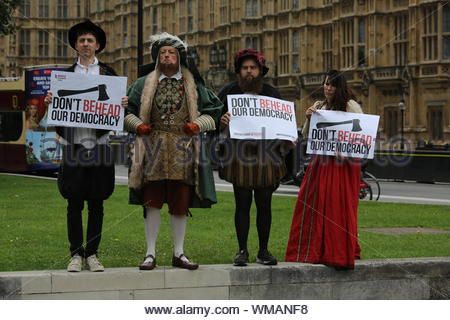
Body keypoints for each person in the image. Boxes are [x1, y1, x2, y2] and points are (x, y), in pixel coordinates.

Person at [125, 32, 222, 271]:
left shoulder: (194, 84)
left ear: (180, 58)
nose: (167, 56)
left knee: (180, 202)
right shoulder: (142, 84)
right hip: (152, 149)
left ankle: (179, 252)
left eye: (172, 53)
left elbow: (215, 111)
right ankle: (150, 253)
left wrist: (198, 124)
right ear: (157, 58)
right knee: (152, 202)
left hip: (184, 149)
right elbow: (125, 113)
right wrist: (139, 126)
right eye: (163, 53)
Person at [44, 20, 128, 272]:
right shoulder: (66, 76)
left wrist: (122, 102)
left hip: (100, 143)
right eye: (81, 40)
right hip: (74, 144)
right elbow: (54, 111)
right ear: (75, 45)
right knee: (73, 202)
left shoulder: (108, 75)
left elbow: (119, 108)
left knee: (97, 202)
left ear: (98, 45)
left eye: (90, 40)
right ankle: (75, 254)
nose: (85, 44)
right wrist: (50, 100)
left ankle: (92, 254)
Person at [217, 49, 292, 267]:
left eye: (253, 68)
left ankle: (263, 250)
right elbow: (213, 120)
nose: (249, 72)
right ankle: (242, 250)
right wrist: (221, 121)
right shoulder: (228, 92)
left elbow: (283, 123)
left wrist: (288, 139)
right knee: (241, 205)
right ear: (239, 71)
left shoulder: (271, 93)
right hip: (239, 155)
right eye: (245, 68)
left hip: (266, 156)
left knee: (264, 205)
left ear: (260, 71)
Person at [285, 69, 362, 270]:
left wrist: (348, 153)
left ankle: (337, 251)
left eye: (332, 84)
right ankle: (314, 248)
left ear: (340, 87)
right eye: (326, 84)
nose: (328, 88)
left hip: (343, 164)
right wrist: (310, 117)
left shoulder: (350, 105)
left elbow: (362, 135)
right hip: (320, 162)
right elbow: (307, 134)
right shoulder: (320, 105)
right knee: (314, 203)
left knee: (339, 205)